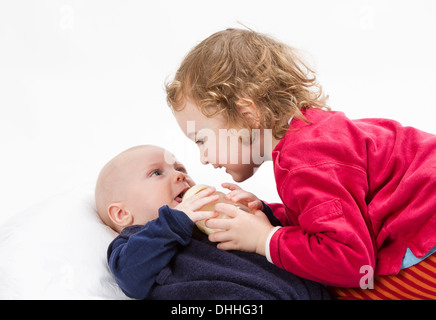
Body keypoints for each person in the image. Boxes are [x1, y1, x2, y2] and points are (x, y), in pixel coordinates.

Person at [166, 28, 436, 299]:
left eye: (201, 140)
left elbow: (352, 260)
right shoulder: (309, 134)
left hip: (428, 234)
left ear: (247, 115)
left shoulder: (305, 161)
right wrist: (270, 215)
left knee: (333, 288)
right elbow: (326, 214)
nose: (202, 157)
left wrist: (264, 239)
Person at [95, 144, 332, 300]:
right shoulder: (135, 241)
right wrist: (174, 222)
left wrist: (258, 212)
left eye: (179, 168)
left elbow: (277, 238)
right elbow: (131, 278)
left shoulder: (211, 217)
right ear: (121, 215)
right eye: (157, 173)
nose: (180, 175)